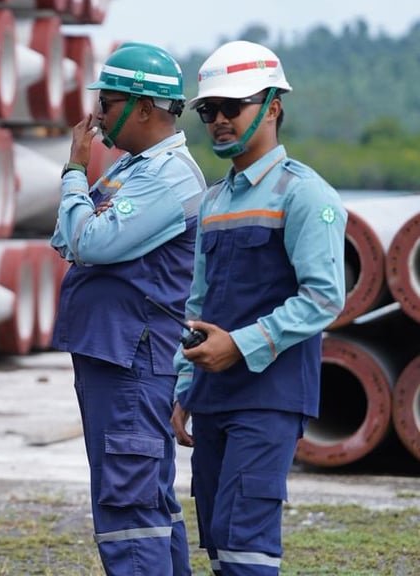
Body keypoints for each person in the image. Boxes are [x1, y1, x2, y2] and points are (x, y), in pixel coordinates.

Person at [171, 41, 346, 575]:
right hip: (213, 396)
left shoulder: (304, 195)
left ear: (272, 107)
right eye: (209, 110)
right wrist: (184, 388)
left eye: (233, 106)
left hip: (270, 396)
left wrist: (240, 345)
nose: (219, 120)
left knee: (246, 540)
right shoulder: (213, 201)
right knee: (218, 536)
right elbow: (198, 301)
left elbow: (323, 297)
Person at [50, 43, 205, 575]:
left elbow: (89, 241)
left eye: (107, 103)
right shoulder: (133, 170)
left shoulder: (169, 176)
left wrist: (75, 170)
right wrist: (83, 216)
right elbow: (66, 238)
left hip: (133, 363)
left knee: (129, 507)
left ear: (143, 108)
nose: (96, 116)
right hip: (113, 357)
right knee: (144, 499)